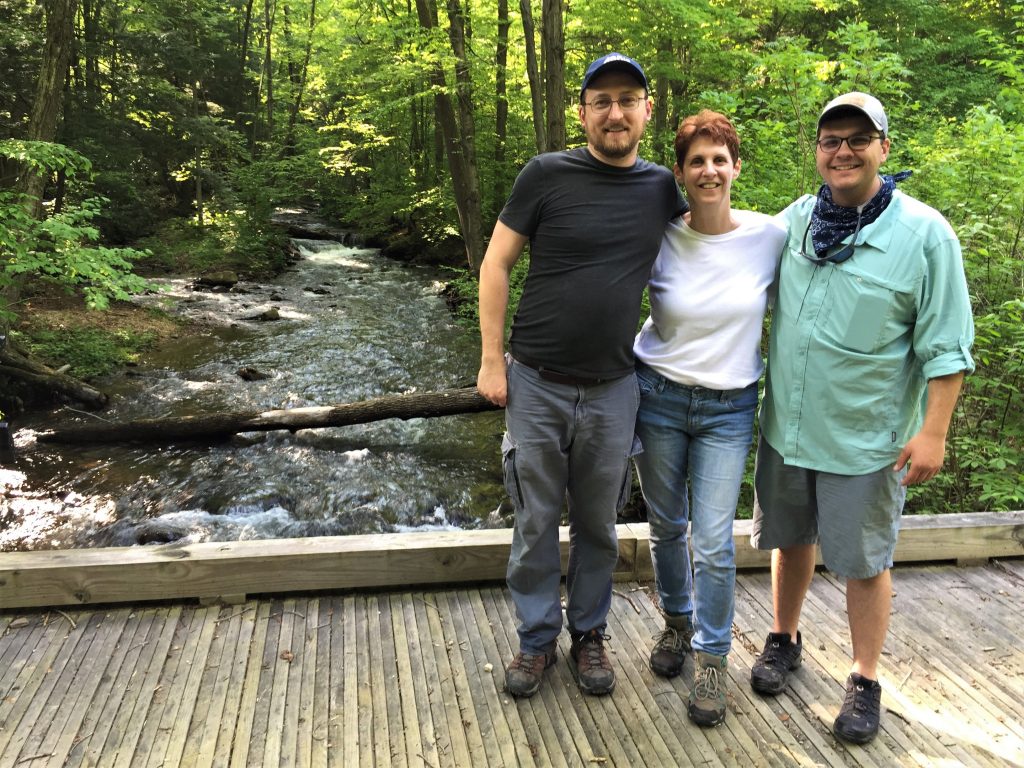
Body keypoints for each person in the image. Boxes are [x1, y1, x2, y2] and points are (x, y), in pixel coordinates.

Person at [748, 92, 975, 744]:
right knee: (791, 541)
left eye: (857, 138)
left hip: (866, 439)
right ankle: (783, 639)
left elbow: (948, 345)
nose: (842, 151)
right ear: (816, 151)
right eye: (830, 140)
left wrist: (933, 432)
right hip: (787, 429)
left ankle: (864, 678)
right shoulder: (791, 224)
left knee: (865, 561)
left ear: (884, 147)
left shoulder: (924, 235)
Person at [476, 52, 686, 698]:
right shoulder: (545, 176)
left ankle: (588, 635)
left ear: (647, 111)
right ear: (584, 113)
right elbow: (496, 263)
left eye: (628, 99)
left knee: (599, 522)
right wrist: (491, 359)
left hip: (615, 386)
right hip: (535, 379)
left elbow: (709, 256)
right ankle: (536, 640)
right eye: (602, 101)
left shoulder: (661, 190)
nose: (615, 112)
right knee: (536, 518)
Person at [632, 110, 786, 727]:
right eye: (696, 160)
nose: (709, 170)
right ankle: (676, 622)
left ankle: (713, 656)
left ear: (736, 167)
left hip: (730, 408)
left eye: (719, 159)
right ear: (680, 172)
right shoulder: (660, 233)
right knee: (668, 525)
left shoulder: (770, 236)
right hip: (659, 396)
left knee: (715, 540)